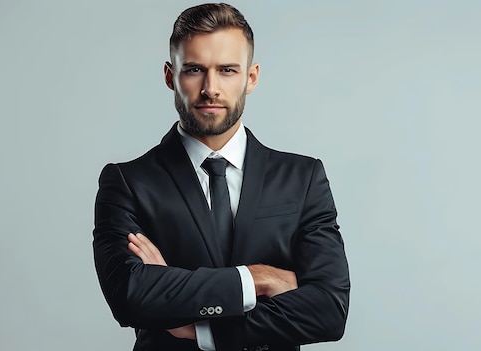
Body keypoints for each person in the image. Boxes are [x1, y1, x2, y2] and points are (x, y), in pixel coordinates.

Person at [93, 3, 350, 351]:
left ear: (251, 77)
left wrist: (201, 327)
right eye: (195, 69)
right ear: (171, 76)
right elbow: (131, 295)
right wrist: (259, 278)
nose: (210, 88)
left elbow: (329, 310)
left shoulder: (302, 178)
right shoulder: (127, 182)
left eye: (227, 70)